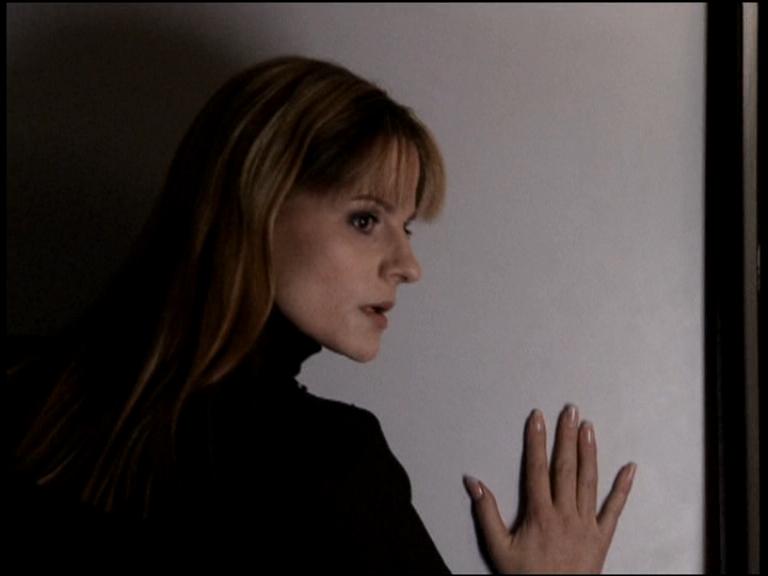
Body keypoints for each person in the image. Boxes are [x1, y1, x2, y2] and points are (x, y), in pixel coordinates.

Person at [6, 55, 635, 572]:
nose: (408, 265)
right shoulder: (330, 466)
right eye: (365, 219)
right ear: (257, 203)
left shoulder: (26, 387)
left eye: (407, 227)